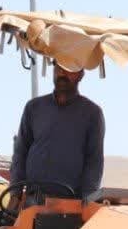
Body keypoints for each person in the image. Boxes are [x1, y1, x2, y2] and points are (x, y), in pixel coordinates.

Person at [10, 62, 105, 206]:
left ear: (80, 75)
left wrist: (88, 203)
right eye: (58, 67)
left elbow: (94, 161)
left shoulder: (92, 114)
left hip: (71, 204)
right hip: (33, 201)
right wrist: (15, 195)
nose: (61, 73)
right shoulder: (34, 108)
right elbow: (20, 153)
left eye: (69, 68)